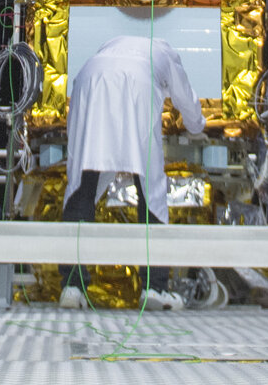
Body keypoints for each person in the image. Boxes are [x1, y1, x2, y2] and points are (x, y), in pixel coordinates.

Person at [59, 36, 206, 309]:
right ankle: (155, 289)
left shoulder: (109, 45)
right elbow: (185, 97)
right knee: (150, 187)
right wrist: (197, 126)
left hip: (90, 79)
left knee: (83, 180)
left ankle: (72, 287)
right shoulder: (166, 50)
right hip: (136, 83)